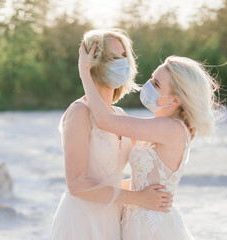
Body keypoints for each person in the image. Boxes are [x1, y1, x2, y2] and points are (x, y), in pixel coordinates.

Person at [79, 42, 224, 239]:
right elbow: (143, 182)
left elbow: (105, 120)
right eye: (151, 78)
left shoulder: (171, 128)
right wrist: (94, 191)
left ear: (175, 100)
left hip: (152, 226)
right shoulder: (160, 126)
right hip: (137, 219)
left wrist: (85, 72)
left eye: (156, 84)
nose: (148, 85)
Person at [52, 29, 173, 240]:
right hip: (82, 220)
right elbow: (76, 185)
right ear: (94, 62)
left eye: (124, 56)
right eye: (113, 57)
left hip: (113, 217)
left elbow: (113, 178)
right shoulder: (80, 112)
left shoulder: (118, 114)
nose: (122, 63)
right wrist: (137, 198)